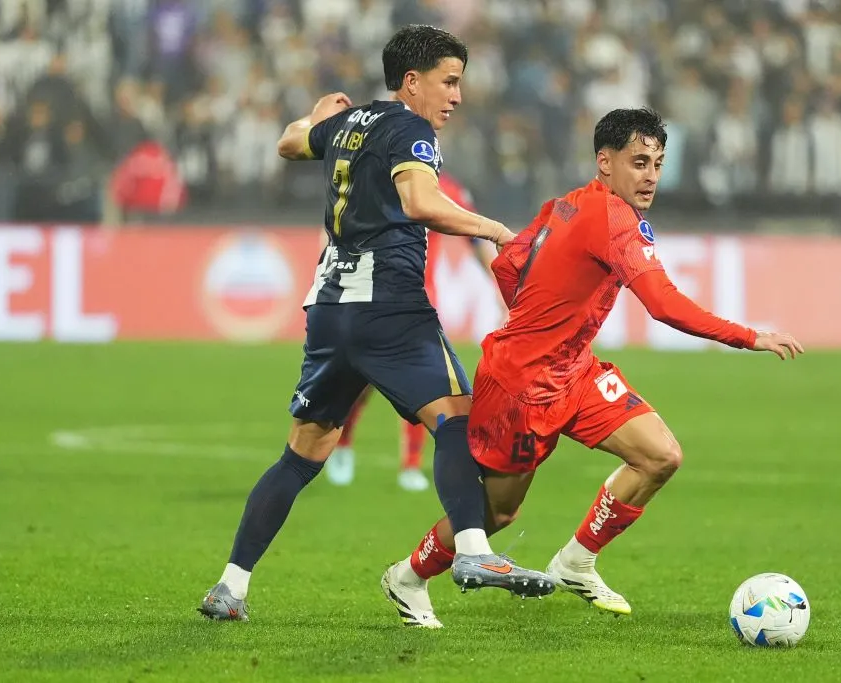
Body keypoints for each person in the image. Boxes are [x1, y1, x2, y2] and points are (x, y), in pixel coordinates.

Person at [381, 107, 803, 626]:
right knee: (497, 513)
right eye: (639, 162)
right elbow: (664, 304)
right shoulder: (615, 220)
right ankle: (408, 575)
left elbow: (510, 264)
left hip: (574, 373)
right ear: (606, 162)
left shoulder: (562, 206)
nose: (650, 175)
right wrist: (750, 335)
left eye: (658, 163)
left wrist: (546, 317)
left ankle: (577, 560)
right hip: (521, 388)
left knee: (660, 456)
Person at [198, 25, 553, 623]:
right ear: (411, 83)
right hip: (388, 306)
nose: (457, 96)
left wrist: (315, 114)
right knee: (457, 421)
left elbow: (289, 144)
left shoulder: (353, 122)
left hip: (329, 310)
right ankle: (472, 549)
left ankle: (230, 586)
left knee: (300, 455)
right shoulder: (413, 133)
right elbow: (418, 203)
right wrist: (494, 228)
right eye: (449, 81)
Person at [326, 173, 497, 492]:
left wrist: (499, 287)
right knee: (362, 385)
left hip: (421, 302)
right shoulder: (379, 180)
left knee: (423, 385)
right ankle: (344, 443)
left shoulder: (448, 189)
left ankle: (411, 465)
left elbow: (475, 240)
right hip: (374, 298)